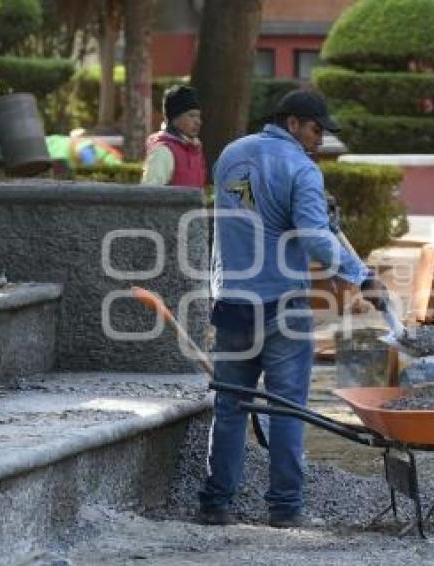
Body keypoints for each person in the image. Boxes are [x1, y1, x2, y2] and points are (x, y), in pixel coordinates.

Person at [198, 89, 390, 527]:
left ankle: (215, 504)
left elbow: (255, 215)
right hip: (282, 304)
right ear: (292, 124)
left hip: (230, 300)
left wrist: (311, 211)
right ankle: (285, 509)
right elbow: (315, 240)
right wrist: (363, 276)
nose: (320, 139)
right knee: (286, 407)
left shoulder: (230, 154)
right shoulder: (301, 169)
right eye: (316, 129)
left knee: (230, 406)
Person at [141, 85, 206, 188]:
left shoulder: (195, 150)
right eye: (191, 116)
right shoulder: (163, 151)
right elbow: (150, 195)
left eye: (198, 116)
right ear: (175, 118)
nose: (198, 122)